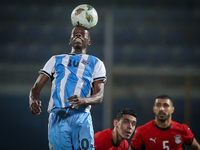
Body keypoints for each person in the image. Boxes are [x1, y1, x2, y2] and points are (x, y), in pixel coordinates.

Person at [29, 26, 107, 150]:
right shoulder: (55, 60)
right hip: (58, 116)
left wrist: (83, 100)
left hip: (82, 116)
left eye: (82, 34)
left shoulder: (96, 63)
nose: (78, 35)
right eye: (75, 33)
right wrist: (32, 100)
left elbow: (99, 96)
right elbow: (36, 88)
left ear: (89, 41)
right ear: (70, 40)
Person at [129, 94, 200, 150]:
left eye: (165, 105)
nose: (161, 108)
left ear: (172, 109)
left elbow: (197, 147)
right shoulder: (142, 131)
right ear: (154, 109)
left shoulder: (182, 129)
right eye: (158, 105)